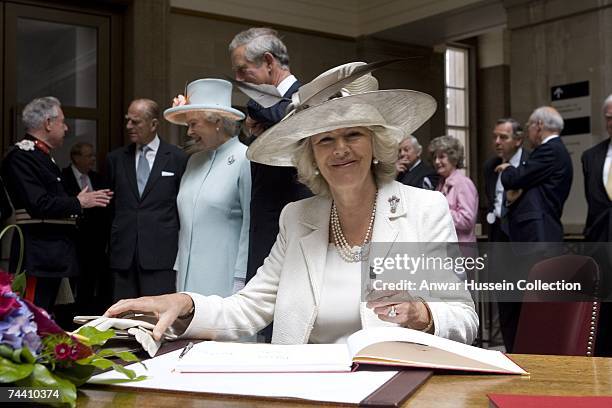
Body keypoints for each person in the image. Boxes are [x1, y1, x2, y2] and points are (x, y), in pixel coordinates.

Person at [105, 66, 478, 346]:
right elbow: (249, 307)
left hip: (389, 389)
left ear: (376, 144)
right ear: (312, 156)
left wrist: (424, 314)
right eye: (325, 140)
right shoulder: (298, 218)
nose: (341, 149)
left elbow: (463, 317)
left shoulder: (424, 209)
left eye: (353, 135)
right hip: (302, 390)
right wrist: (184, 303)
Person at [1, 97, 112, 312]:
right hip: (36, 253)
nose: (66, 127)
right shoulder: (21, 157)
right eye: (62, 121)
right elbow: (38, 204)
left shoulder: (42, 156)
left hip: (51, 254)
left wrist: (76, 202)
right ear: (48, 123)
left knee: (47, 318)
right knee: (33, 317)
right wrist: (78, 202)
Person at [229, 27, 312, 286]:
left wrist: (256, 109)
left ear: (268, 61)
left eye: (243, 70)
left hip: (297, 228)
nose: (238, 78)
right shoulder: (267, 108)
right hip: (264, 233)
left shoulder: (308, 96)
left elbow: (288, 116)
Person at [164, 79, 251, 297]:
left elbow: (250, 226)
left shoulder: (244, 159)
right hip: (186, 276)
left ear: (217, 122)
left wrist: (241, 280)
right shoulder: (193, 161)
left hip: (224, 278)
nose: (189, 132)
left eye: (194, 124)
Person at [106, 99, 187, 301]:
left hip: (161, 254)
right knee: (122, 317)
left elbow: (182, 206)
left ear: (153, 124)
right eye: (128, 121)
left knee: (156, 319)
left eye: (136, 122)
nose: (129, 127)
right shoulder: (115, 159)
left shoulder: (177, 158)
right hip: (123, 255)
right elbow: (108, 209)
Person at [498, 106, 573, 242]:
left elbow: (515, 179)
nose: (528, 132)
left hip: (539, 235)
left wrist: (507, 168)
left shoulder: (549, 150)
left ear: (539, 125)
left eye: (529, 126)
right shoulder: (557, 149)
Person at [61, 142, 111, 314]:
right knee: (70, 287)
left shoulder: (98, 178)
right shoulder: (63, 177)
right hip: (72, 241)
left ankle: (87, 316)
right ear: (76, 157)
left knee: (90, 285)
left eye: (93, 155)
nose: (93, 159)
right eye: (88, 155)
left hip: (96, 242)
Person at [581, 94, 612, 356]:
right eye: (609, 117)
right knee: (601, 321)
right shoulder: (591, 157)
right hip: (600, 247)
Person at [483, 119, 527, 242]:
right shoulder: (490, 166)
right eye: (494, 137)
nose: (497, 142)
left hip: (522, 233)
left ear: (518, 140)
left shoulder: (530, 162)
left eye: (503, 137)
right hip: (496, 230)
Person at [428, 136, 478, 242]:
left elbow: (467, 220)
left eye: (441, 157)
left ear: (453, 158)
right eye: (434, 157)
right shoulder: (441, 183)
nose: (437, 161)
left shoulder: (463, 183)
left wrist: (439, 212)